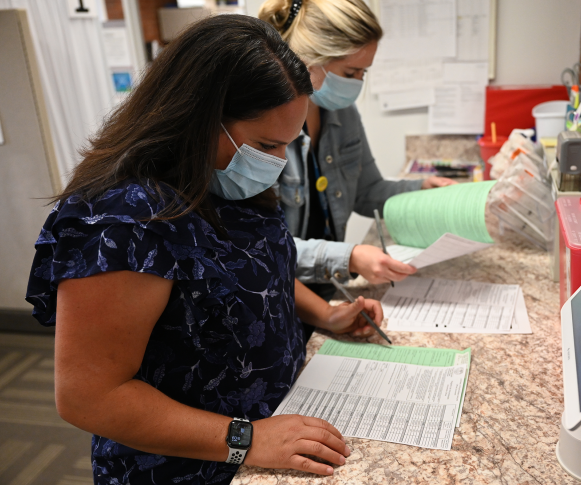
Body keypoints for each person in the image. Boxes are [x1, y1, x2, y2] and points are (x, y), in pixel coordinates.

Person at [25, 15, 382, 483]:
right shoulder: (125, 221)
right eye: (266, 144)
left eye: (287, 145)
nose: (277, 163)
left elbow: (252, 269)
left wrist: (324, 313)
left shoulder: (225, 178)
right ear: (196, 120)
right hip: (187, 464)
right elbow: (89, 395)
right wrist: (246, 440)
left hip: (278, 427)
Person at [258, 0, 457, 301]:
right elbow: (258, 245)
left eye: (364, 73)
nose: (358, 85)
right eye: (350, 74)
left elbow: (366, 192)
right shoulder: (264, 128)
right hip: (278, 297)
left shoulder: (342, 112)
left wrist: (421, 190)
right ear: (309, 59)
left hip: (326, 289)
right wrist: (349, 258)